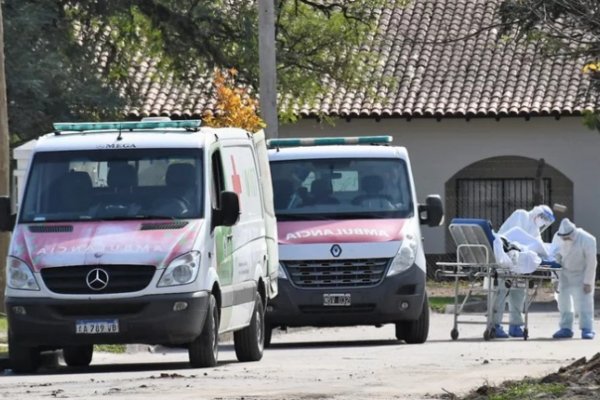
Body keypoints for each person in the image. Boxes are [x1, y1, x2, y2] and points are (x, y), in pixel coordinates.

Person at [492, 205, 555, 338]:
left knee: (519, 292)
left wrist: (546, 253)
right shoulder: (521, 215)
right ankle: (495, 325)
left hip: (519, 261)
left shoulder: (535, 228)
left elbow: (538, 244)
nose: (543, 222)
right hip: (505, 257)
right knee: (501, 292)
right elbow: (514, 236)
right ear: (537, 214)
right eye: (543, 218)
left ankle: (516, 325)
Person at [551, 218, 597, 339]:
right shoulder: (557, 238)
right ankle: (565, 328)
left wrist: (588, 282)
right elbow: (555, 259)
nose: (565, 239)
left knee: (584, 303)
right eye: (563, 237)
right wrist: (555, 280)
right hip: (564, 274)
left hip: (581, 274)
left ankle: (587, 328)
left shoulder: (587, 239)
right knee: (563, 302)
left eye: (567, 237)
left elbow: (591, 262)